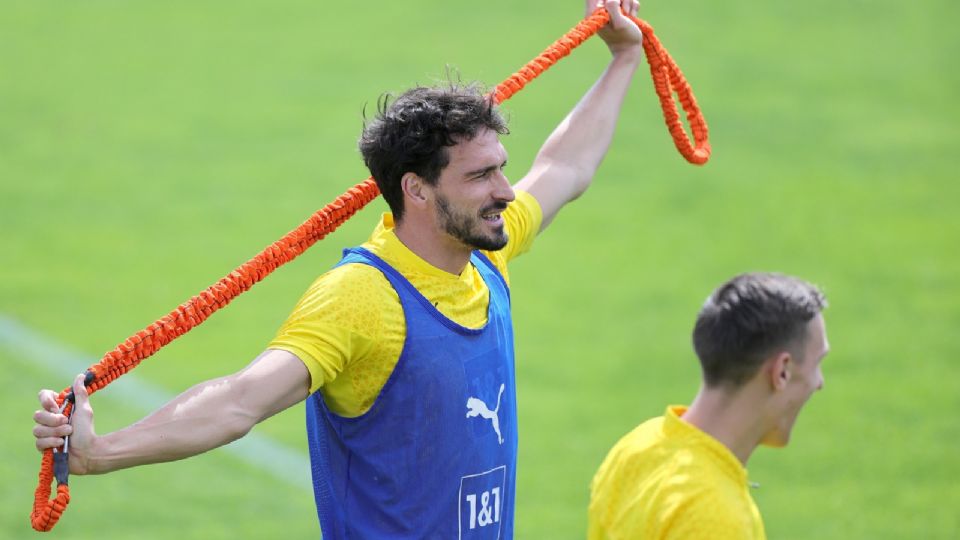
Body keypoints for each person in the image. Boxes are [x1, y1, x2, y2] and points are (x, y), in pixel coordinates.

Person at [33, 1, 644, 537]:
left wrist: (622, 58)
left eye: (501, 167)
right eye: (481, 175)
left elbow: (564, 169)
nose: (507, 191)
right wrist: (98, 453)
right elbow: (239, 401)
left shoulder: (487, 255)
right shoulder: (362, 299)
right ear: (418, 190)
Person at [587, 273, 830, 539]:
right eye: (817, 363)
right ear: (782, 371)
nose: (819, 383)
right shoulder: (715, 518)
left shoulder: (637, 448)